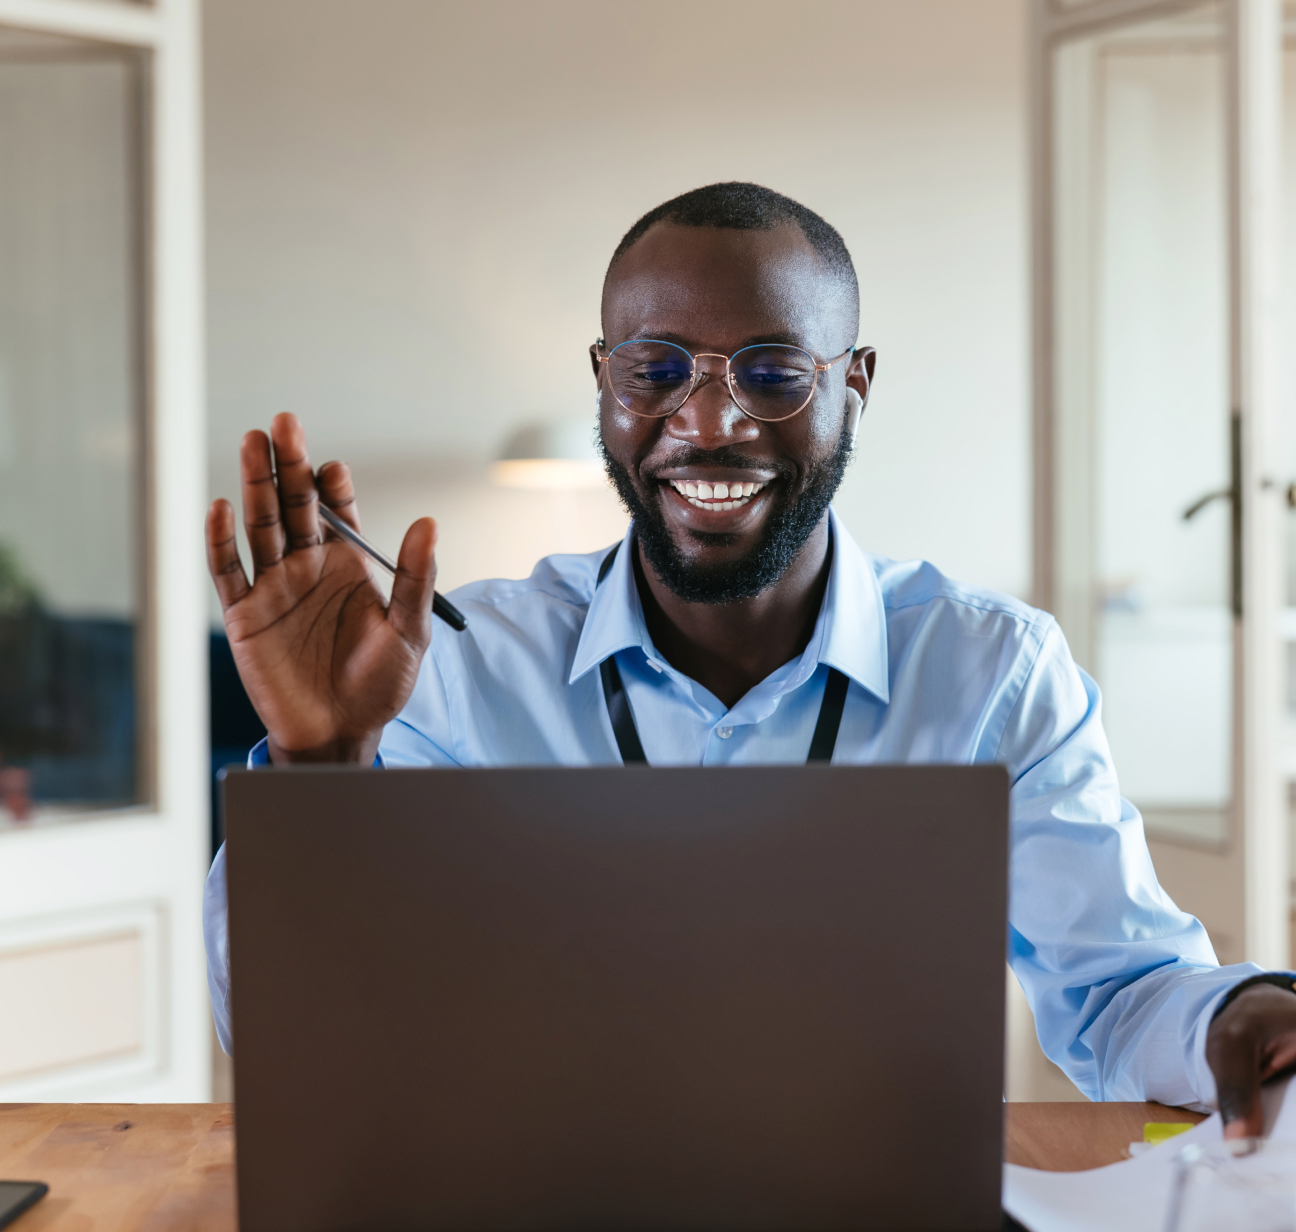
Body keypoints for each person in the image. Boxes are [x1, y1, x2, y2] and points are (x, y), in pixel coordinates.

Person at [204, 181, 1296, 1134]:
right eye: (656, 369)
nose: (709, 419)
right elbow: (288, 1034)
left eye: (772, 370)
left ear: (855, 381)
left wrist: (1241, 1014)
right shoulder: (451, 664)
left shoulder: (993, 669)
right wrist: (321, 763)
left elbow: (1124, 989)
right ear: (604, 378)